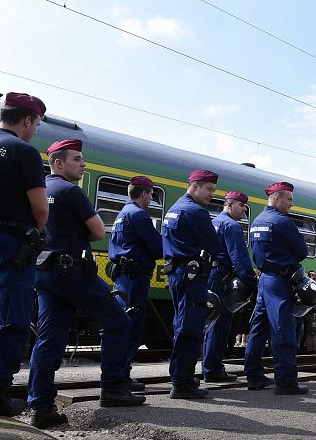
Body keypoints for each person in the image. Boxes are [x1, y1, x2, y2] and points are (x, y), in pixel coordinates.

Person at [29, 139, 145, 429]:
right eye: (77, 159)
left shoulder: (42, 189)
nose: (83, 164)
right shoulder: (70, 191)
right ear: (59, 163)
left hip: (44, 271)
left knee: (49, 339)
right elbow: (96, 231)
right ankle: (114, 389)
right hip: (73, 272)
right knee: (118, 321)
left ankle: (41, 406)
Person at [0, 93, 47, 419]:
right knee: (10, 317)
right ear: (27, 120)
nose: (36, 130)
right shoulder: (23, 151)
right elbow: (41, 208)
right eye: (37, 124)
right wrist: (37, 231)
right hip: (10, 244)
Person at [244, 181, 310, 394]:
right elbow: (302, 252)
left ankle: (253, 376)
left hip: (264, 279)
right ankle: (286, 382)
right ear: (277, 198)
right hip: (280, 281)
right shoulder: (282, 222)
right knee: (283, 329)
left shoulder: (257, 221)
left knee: (258, 329)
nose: (292, 204)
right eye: (289, 199)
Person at [161, 169, 220, 399]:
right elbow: (214, 245)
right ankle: (181, 382)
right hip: (192, 275)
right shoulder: (196, 212)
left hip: (177, 272)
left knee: (181, 324)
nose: (212, 195)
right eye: (209, 189)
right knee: (191, 327)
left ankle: (181, 376)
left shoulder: (174, 209)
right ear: (195, 186)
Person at [108, 176, 163, 392]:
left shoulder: (123, 213)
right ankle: (121, 375)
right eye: (151, 194)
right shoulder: (139, 215)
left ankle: (119, 373)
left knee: (122, 321)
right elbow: (157, 247)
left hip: (123, 275)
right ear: (144, 193)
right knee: (131, 326)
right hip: (135, 276)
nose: (151, 198)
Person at [203, 191, 257, 382]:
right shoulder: (232, 226)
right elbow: (239, 258)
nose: (244, 210)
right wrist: (252, 282)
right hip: (224, 277)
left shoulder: (213, 222)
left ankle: (209, 366)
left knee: (210, 322)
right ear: (230, 205)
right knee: (220, 324)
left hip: (210, 274)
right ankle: (213, 369)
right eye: (242, 206)